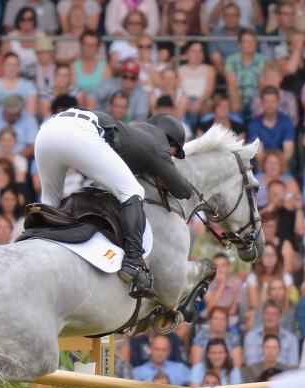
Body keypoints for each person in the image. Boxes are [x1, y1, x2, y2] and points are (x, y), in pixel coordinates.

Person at [33, 110, 190, 299]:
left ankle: (35, 247)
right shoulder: (158, 142)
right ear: (171, 142)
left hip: (48, 130)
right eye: (174, 152)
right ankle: (134, 261)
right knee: (133, 192)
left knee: (51, 204)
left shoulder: (135, 134)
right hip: (81, 132)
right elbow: (182, 190)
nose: (172, 157)